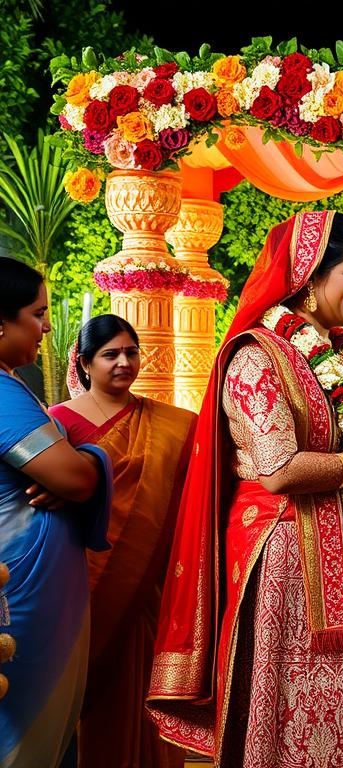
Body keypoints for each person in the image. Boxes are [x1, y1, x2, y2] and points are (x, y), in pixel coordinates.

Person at [146, 211, 343, 767]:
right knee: (292, 695)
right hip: (285, 555)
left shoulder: (336, 354)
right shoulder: (257, 356)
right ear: (310, 274)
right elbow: (278, 470)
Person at [48, 315, 196, 768]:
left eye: (131, 352)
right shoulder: (55, 424)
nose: (124, 362)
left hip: (149, 578)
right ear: (85, 363)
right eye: (110, 354)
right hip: (79, 581)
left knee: (146, 683)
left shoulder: (173, 425)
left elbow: (188, 501)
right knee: (82, 691)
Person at [0, 258, 111, 768]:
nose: (47, 326)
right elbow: (74, 478)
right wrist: (92, 460)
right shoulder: (1, 395)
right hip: (18, 591)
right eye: (37, 313)